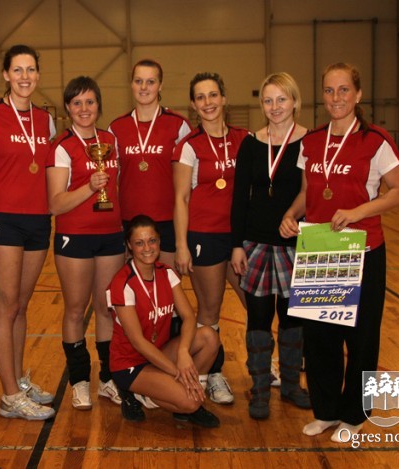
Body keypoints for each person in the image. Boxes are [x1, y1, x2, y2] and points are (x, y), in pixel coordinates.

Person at [279, 62, 399, 441]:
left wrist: (357, 212)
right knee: (320, 338)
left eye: (343, 90)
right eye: (329, 90)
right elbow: (308, 192)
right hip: (321, 249)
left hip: (364, 249)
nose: (336, 97)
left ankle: (355, 415)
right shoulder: (312, 141)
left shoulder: (376, 140)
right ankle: (326, 411)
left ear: (358, 94)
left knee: (362, 339)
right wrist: (290, 214)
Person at [0, 45, 56, 420]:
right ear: (6, 74)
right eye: (17, 70)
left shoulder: (46, 119)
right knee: (5, 308)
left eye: (31, 70)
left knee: (20, 305)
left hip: (38, 220)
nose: (25, 77)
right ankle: (8, 397)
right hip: (3, 220)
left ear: (38, 75)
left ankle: (19, 380)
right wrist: (9, 191)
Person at [230, 72, 310, 420]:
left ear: (294, 101)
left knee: (293, 321)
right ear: (261, 104)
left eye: (281, 99)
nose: (275, 107)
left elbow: (310, 191)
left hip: (296, 245)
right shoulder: (250, 144)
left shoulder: (310, 141)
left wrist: (296, 216)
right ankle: (260, 389)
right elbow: (239, 199)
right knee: (259, 320)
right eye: (268, 100)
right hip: (257, 244)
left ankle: (291, 385)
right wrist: (237, 245)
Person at [46, 76, 124, 410]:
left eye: (89, 101)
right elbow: (55, 204)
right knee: (76, 309)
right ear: (67, 108)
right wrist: (90, 187)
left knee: (107, 308)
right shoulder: (61, 146)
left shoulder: (110, 140)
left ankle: (107, 379)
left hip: (111, 236)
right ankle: (79, 380)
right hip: (74, 237)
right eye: (76, 103)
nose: (84, 108)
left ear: (98, 105)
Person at [173, 72, 249, 405]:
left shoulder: (246, 139)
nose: (208, 102)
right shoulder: (188, 146)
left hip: (241, 238)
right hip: (205, 235)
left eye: (213, 95)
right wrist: (181, 245)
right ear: (193, 104)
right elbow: (181, 198)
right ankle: (213, 374)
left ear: (224, 98)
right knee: (210, 310)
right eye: (201, 97)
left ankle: (264, 367)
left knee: (256, 304)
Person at [107, 215, 221, 427]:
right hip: (131, 364)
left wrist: (183, 352)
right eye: (139, 243)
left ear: (159, 241)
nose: (147, 248)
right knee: (191, 402)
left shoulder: (166, 273)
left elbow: (189, 317)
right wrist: (178, 372)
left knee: (209, 337)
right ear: (129, 246)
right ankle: (140, 393)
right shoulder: (122, 284)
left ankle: (174, 395)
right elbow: (138, 342)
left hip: (158, 353)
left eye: (152, 241)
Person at [108, 59, 191, 269]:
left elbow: (189, 180)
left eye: (150, 82)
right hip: (129, 221)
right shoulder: (116, 127)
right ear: (131, 84)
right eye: (138, 81)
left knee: (167, 285)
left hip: (168, 221)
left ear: (160, 85)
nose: (144, 87)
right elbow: (112, 177)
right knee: (133, 285)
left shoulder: (178, 125)